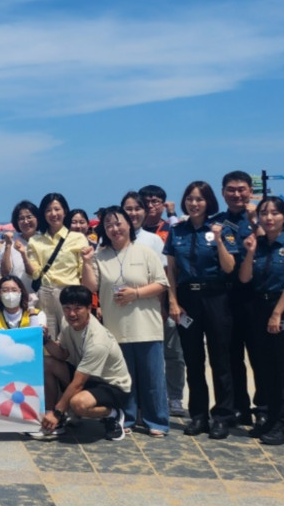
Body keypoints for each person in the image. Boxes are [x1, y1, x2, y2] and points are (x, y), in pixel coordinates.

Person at [83, 207, 170, 436]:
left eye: (119, 223)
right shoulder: (100, 255)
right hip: (116, 327)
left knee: (152, 378)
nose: (115, 229)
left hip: (146, 326)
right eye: (109, 225)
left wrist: (136, 293)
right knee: (124, 379)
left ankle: (157, 421)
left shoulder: (146, 252)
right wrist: (85, 261)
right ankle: (128, 418)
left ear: (129, 225)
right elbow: (91, 286)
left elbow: (162, 284)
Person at [164, 181, 239, 439]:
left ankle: (222, 415)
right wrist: (173, 301)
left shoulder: (222, 229)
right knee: (193, 360)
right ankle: (198, 415)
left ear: (208, 202)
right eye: (190, 199)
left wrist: (218, 240)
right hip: (188, 299)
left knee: (221, 360)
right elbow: (171, 270)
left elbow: (230, 267)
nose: (194, 204)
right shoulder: (177, 231)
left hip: (216, 296)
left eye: (199, 199)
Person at [237, 196, 284, 445]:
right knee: (266, 372)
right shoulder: (257, 244)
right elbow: (245, 278)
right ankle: (271, 420)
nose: (269, 218)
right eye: (264, 213)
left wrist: (277, 313)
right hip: (259, 307)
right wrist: (249, 253)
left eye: (275, 213)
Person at [35, 285, 133, 441]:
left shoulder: (98, 341)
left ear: (89, 308)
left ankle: (113, 414)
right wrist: (45, 340)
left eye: (78, 308)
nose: (71, 314)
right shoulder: (67, 322)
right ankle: (51, 416)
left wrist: (58, 412)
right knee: (47, 363)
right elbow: (62, 353)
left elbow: (78, 383)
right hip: (88, 377)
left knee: (78, 403)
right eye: (66, 308)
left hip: (111, 385)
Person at [137, 185, 186, 419]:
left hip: (168, 300)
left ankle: (175, 396)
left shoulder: (172, 229)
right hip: (140, 304)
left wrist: (172, 302)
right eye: (145, 201)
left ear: (164, 204)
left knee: (173, 352)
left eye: (155, 201)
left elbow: (172, 269)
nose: (150, 205)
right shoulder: (130, 232)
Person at [218, 170, 260, 426]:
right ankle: (238, 407)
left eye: (241, 189)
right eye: (231, 190)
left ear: (250, 191)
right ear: (223, 192)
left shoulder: (264, 217)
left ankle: (263, 406)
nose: (236, 194)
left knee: (260, 356)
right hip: (227, 297)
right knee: (231, 357)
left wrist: (255, 219)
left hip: (257, 297)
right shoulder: (218, 222)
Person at [26, 193, 90, 333]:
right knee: (48, 337)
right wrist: (22, 255)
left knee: (73, 336)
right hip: (46, 294)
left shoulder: (78, 238)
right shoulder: (35, 240)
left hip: (71, 294)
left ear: (65, 211)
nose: (53, 213)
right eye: (48, 210)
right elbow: (34, 274)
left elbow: (82, 273)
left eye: (57, 209)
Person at [0, 200, 42, 280]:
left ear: (37, 218)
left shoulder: (45, 241)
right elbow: (4, 273)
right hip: (16, 291)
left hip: (41, 291)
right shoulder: (11, 242)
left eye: (29, 217)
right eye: (21, 218)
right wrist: (8, 246)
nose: (26, 221)